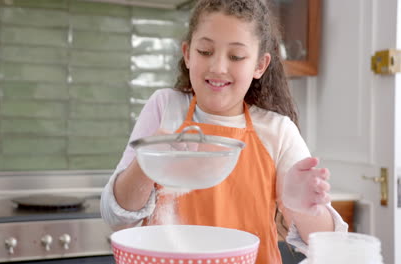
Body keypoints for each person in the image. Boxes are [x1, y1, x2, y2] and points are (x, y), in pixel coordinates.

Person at [101, 0, 348, 263]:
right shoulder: (165, 107)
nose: (218, 67)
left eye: (236, 56)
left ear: (259, 66)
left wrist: (302, 208)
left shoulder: (278, 131)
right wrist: (147, 162)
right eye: (205, 51)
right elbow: (115, 216)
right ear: (187, 54)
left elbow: (330, 245)